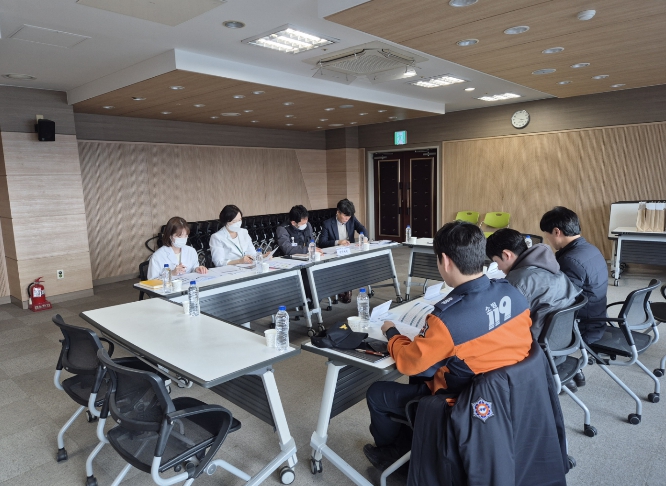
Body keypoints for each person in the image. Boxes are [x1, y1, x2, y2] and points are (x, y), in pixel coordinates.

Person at [363, 221, 533, 471]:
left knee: (378, 392)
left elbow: (409, 363)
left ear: (444, 260)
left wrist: (392, 333)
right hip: (509, 393)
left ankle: (393, 458)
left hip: (460, 402)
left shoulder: (447, 319)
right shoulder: (513, 293)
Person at [540, 206, 608, 389]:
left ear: (557, 232)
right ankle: (570, 369)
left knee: (534, 322)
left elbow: (561, 301)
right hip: (597, 316)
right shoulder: (590, 249)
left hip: (585, 326)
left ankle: (560, 371)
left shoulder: (570, 260)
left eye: (547, 235)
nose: (548, 240)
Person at [485, 228, 580, 341]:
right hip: (564, 337)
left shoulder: (517, 283)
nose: (499, 268)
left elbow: (504, 323)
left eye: (496, 262)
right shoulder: (552, 267)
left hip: (536, 343)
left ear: (506, 255)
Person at [319, 199, 369, 303]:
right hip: (335, 253)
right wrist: (338, 242)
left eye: (349, 216)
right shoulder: (327, 224)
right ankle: (344, 288)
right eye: (345, 216)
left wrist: (364, 238)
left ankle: (347, 288)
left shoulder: (352, 219)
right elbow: (322, 243)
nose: (347, 219)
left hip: (350, 251)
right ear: (338, 212)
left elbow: (362, 229)